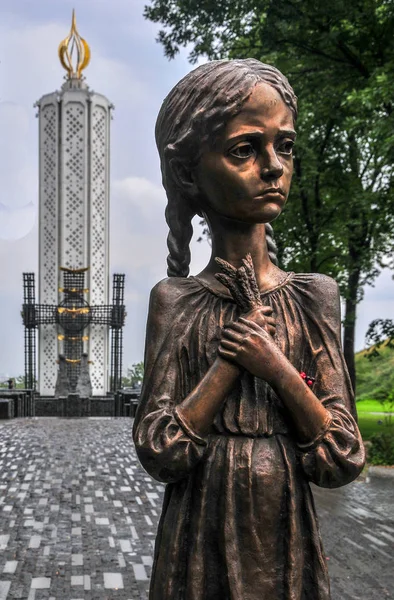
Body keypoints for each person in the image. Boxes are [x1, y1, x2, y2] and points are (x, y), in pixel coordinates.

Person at [133, 59, 365, 600]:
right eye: (245, 149)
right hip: (199, 535)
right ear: (189, 172)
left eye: (284, 146)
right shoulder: (176, 300)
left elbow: (342, 456)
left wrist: (275, 365)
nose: (274, 166)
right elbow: (160, 451)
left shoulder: (314, 296)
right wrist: (226, 365)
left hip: (285, 530)